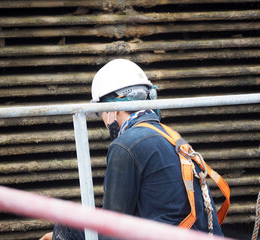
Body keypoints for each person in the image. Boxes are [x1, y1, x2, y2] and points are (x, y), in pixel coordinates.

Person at [40, 59, 227, 240]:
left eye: (100, 114)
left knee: (68, 226)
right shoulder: (171, 136)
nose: (104, 123)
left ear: (112, 109)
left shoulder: (126, 145)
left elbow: (111, 231)